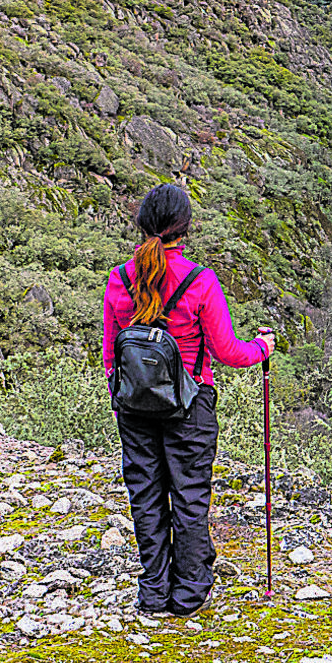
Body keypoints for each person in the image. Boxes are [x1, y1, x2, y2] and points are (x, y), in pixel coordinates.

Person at [102, 183, 275, 616]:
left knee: (145, 495)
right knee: (190, 496)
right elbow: (229, 353)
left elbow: (110, 355)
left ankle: (154, 592)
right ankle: (189, 593)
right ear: (186, 229)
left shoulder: (120, 279)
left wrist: (124, 400)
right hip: (189, 406)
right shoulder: (200, 281)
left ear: (143, 225)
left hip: (134, 407)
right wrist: (263, 348)